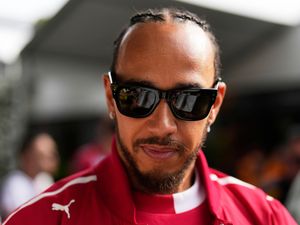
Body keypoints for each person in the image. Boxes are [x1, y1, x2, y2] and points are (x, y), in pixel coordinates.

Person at [3, 8, 297, 225]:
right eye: (138, 97)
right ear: (110, 97)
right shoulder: (41, 219)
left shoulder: (264, 217)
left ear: (215, 105)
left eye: (189, 99)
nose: (163, 124)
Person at [0, 132, 59, 218]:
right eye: (42, 155)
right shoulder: (15, 183)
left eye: (52, 154)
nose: (51, 159)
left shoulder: (44, 179)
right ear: (26, 156)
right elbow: (22, 218)